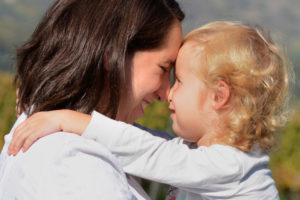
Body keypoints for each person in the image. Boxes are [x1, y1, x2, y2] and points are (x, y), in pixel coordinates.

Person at [8, 21, 293, 200]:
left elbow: (148, 151)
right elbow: (146, 141)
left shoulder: (231, 166)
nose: (168, 93)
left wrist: (66, 119)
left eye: (179, 81)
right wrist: (55, 106)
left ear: (219, 95)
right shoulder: (209, 157)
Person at [0, 0, 184, 199]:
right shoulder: (74, 162)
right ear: (112, 54)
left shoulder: (56, 131)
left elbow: (161, 150)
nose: (166, 94)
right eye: (163, 69)